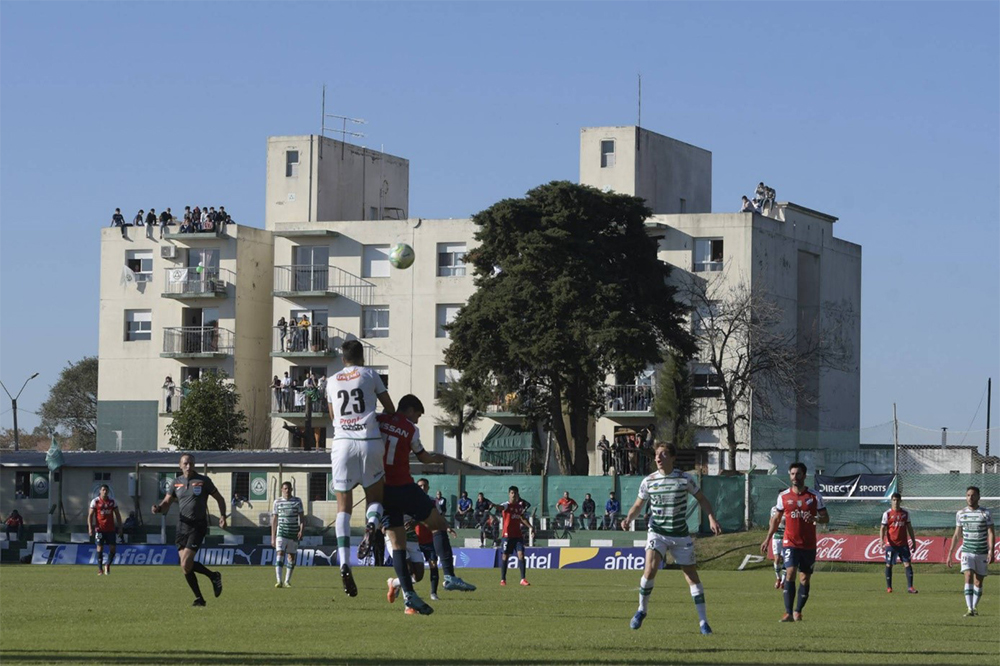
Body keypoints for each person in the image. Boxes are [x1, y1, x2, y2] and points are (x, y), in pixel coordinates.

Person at [378, 395, 475, 615]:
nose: (417, 420)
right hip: (403, 486)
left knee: (397, 545)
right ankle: (449, 576)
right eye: (418, 415)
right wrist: (437, 459)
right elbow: (423, 457)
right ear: (410, 410)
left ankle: (408, 594)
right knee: (438, 524)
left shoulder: (379, 420)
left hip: (382, 489)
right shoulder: (410, 429)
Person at [622, 441, 722, 635]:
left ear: (673, 457)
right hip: (657, 532)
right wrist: (628, 518)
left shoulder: (685, 479)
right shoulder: (649, 481)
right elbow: (638, 505)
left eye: (663, 454)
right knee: (650, 569)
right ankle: (641, 610)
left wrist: (711, 518)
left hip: (680, 535)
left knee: (691, 576)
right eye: (656, 454)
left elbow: (702, 499)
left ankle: (703, 622)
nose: (658, 458)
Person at [326, 338, 396, 597]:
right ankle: (371, 524)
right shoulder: (370, 374)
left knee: (343, 507)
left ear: (342, 358)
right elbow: (390, 408)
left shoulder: (331, 380)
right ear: (362, 356)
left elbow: (333, 416)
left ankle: (344, 562)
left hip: (342, 444)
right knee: (375, 498)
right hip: (369, 442)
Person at [151, 453, 226, 607]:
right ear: (180, 465)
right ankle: (201, 596)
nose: (188, 466)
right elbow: (167, 502)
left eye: (191, 463)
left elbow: (220, 499)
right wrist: (158, 508)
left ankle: (212, 577)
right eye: (185, 463)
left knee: (186, 562)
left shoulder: (203, 481)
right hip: (182, 526)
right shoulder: (176, 483)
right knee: (185, 566)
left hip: (197, 526)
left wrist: (223, 516)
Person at [760, 461, 829, 623]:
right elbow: (776, 519)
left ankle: (798, 611)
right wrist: (767, 538)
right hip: (790, 542)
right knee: (790, 572)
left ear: (804, 476)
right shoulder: (783, 496)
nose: (794, 477)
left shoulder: (814, 496)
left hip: (808, 544)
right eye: (792, 474)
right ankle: (788, 613)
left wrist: (815, 519)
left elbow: (826, 518)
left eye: (798, 474)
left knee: (805, 579)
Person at [946, 486, 995, 617]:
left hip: (982, 552)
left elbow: (991, 533)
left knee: (978, 581)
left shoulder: (985, 513)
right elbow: (957, 535)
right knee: (968, 576)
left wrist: (991, 551)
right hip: (967, 551)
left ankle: (974, 606)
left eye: (973, 495)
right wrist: (950, 553)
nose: (970, 498)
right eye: (968, 495)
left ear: (978, 497)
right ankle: (969, 608)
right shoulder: (961, 513)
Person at [881, 492, 918, 594]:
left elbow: (909, 528)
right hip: (891, 544)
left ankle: (910, 587)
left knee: (907, 563)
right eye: (894, 500)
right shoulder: (887, 514)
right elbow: (883, 528)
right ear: (891, 501)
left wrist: (913, 541)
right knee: (889, 564)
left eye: (897, 500)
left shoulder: (905, 514)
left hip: (903, 544)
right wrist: (881, 540)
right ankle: (889, 587)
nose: (896, 502)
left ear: (900, 501)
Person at [498, 485, 535, 587]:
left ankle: (523, 579)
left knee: (521, 555)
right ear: (509, 494)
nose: (513, 495)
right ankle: (503, 579)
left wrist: (530, 527)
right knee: (505, 556)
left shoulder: (519, 507)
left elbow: (522, 518)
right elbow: (500, 507)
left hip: (518, 536)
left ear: (518, 494)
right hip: (507, 536)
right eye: (512, 493)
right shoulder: (506, 505)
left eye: (515, 493)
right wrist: (493, 505)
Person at [271, 481, 304, 588]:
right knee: (280, 554)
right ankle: (279, 581)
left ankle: (287, 581)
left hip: (293, 533)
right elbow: (274, 520)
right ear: (281, 490)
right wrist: (273, 537)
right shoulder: (277, 502)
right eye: (285, 489)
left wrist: (301, 530)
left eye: (289, 489)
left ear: (292, 489)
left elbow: (302, 518)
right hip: (281, 532)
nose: (287, 491)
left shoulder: (297, 501)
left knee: (291, 556)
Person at [88, 484, 123, 576]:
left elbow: (118, 515)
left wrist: (120, 527)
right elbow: (90, 516)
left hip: (110, 529)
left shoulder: (112, 502)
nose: (105, 491)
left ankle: (107, 565)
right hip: (99, 530)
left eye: (106, 490)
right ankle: (100, 569)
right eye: (103, 490)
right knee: (100, 547)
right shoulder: (95, 501)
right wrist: (90, 528)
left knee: (113, 549)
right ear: (100, 491)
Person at [769, 506, 787, 590]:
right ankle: (778, 578)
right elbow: (771, 521)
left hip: (786, 536)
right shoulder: (773, 509)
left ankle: (783, 581)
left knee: (786, 559)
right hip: (776, 536)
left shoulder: (788, 508)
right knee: (777, 559)